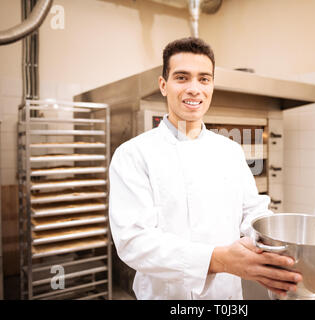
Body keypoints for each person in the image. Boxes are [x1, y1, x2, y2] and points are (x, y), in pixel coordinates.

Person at [109, 37, 302, 300]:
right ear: (163, 85)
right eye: (182, 77)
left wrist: (278, 247)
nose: (194, 89)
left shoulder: (230, 150)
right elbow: (134, 242)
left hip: (227, 297)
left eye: (204, 79)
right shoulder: (133, 154)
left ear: (212, 85)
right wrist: (219, 259)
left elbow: (252, 212)